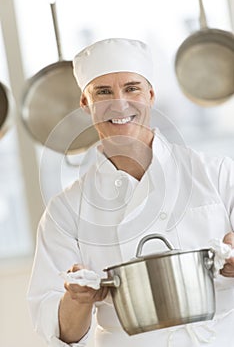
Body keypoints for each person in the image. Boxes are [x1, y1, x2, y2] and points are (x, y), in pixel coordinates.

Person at [27, 38, 234, 347]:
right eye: (103, 92)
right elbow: (61, 332)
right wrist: (79, 299)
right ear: (85, 104)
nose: (119, 104)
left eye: (132, 88)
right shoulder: (65, 211)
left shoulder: (216, 174)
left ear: (150, 95)